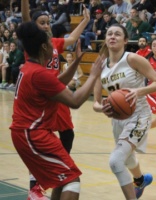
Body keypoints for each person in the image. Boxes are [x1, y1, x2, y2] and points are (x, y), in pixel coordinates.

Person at [10, 21, 103, 200]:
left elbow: (56, 83)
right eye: (51, 43)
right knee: (72, 179)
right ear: (44, 46)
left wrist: (76, 62)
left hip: (30, 132)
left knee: (63, 179)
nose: (54, 46)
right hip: (32, 134)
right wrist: (93, 75)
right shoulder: (39, 74)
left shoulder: (32, 68)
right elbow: (75, 101)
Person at [21, 1, 91, 198]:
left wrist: (85, 20)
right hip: (40, 97)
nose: (45, 25)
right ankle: (35, 185)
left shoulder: (55, 44)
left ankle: (59, 173)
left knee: (67, 136)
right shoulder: (32, 45)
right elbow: (26, 19)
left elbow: (73, 38)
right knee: (41, 140)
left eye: (47, 22)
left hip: (57, 95)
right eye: (41, 22)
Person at [92, 24, 156, 200]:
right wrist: (102, 108)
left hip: (139, 115)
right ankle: (140, 180)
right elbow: (95, 102)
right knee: (126, 157)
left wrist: (138, 91)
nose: (112, 36)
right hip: (118, 118)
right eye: (109, 33)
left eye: (117, 34)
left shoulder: (132, 59)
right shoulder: (100, 66)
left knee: (116, 161)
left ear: (125, 40)